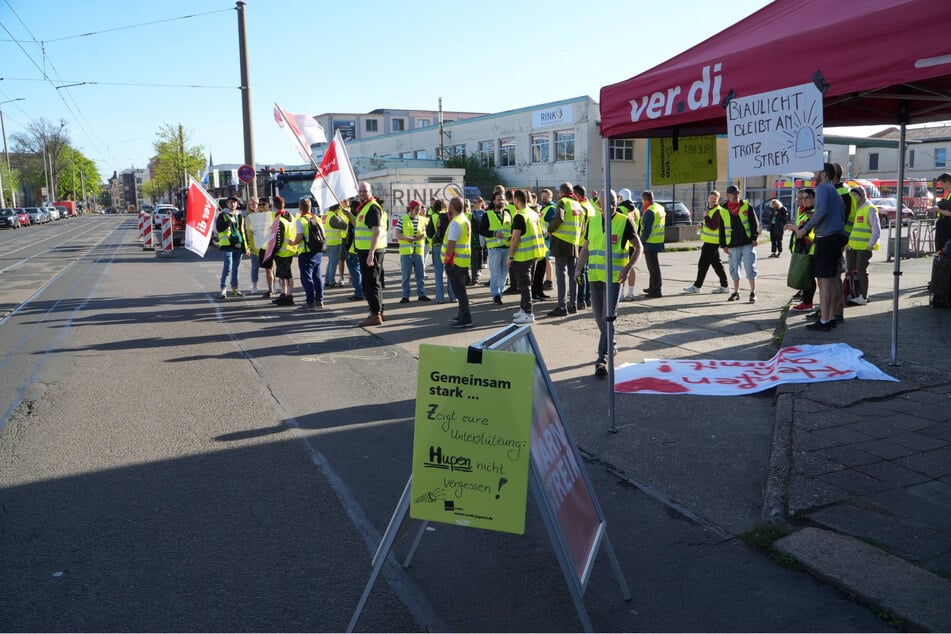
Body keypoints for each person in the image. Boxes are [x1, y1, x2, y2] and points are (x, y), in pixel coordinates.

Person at [577, 190, 642, 377]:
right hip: (595, 277)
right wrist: (577, 268)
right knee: (598, 317)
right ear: (600, 204)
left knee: (608, 317)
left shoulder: (624, 221)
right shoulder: (593, 221)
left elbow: (639, 247)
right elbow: (586, 248)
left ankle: (601, 360)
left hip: (615, 278)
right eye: (609, 203)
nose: (612, 206)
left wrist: (628, 267)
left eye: (614, 202)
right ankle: (611, 343)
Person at [797, 163, 846, 331]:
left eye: (816, 172)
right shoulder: (834, 190)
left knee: (824, 283)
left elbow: (822, 211)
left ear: (824, 174)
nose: (813, 174)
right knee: (831, 281)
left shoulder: (823, 189)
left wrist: (805, 228)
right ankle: (831, 317)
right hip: (835, 238)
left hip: (826, 239)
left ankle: (824, 320)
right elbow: (839, 211)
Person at [508, 189, 545, 324]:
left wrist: (510, 256)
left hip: (522, 256)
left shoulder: (520, 216)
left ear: (517, 200)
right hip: (533, 254)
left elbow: (515, 239)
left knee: (524, 285)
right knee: (527, 284)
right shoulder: (533, 213)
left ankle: (528, 313)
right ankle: (524, 309)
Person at [547, 182, 584, 316]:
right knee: (573, 274)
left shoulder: (563, 202)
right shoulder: (578, 204)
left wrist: (550, 229)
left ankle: (562, 307)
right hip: (574, 242)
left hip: (561, 241)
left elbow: (559, 218)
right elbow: (582, 224)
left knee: (561, 274)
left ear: (562, 192)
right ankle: (572, 305)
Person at [354, 182, 387, 327]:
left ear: (370, 191)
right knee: (374, 283)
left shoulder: (372, 207)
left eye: (364, 191)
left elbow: (376, 231)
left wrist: (371, 253)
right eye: (360, 191)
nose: (362, 193)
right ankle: (378, 311)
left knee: (370, 284)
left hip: (371, 251)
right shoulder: (365, 207)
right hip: (368, 250)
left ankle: (375, 314)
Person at [683, 190, 730, 294]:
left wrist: (706, 216)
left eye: (715, 198)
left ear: (718, 200)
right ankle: (725, 286)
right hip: (711, 241)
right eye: (711, 198)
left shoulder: (718, 211)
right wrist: (703, 224)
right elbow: (711, 225)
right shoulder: (710, 210)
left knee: (703, 264)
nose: (713, 200)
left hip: (712, 242)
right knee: (716, 264)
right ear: (708, 198)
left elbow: (713, 226)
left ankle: (697, 286)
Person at [719, 185, 759, 303]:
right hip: (732, 244)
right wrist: (723, 244)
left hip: (747, 242)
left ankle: (753, 292)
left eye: (738, 194)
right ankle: (736, 292)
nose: (736, 196)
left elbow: (754, 223)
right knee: (734, 269)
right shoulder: (723, 209)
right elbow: (721, 228)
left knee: (750, 267)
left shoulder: (746, 205)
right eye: (734, 194)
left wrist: (754, 237)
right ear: (728, 195)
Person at [845, 185, 881, 305]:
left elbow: (876, 229)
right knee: (850, 270)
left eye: (856, 194)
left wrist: (871, 244)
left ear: (862, 195)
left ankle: (863, 296)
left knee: (861, 271)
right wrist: (848, 243)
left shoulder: (869, 208)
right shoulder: (857, 209)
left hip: (864, 247)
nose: (854, 197)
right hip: (852, 246)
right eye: (853, 195)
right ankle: (852, 292)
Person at [288, 197, 325, 310]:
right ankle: (319, 300)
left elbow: (299, 237)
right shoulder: (317, 219)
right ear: (310, 207)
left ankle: (310, 302)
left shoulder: (300, 220)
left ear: (299, 208)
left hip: (305, 252)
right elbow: (324, 235)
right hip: (317, 252)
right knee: (317, 276)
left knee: (306, 277)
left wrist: (292, 242)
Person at [443, 196, 474, 328]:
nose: (448, 208)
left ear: (453, 207)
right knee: (461, 291)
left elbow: (451, 244)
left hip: (454, 262)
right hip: (462, 260)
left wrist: (447, 258)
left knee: (460, 292)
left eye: (449, 205)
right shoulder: (464, 219)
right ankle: (462, 314)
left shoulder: (456, 222)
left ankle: (465, 317)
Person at [788, 189, 818, 312]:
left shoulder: (813, 212)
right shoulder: (804, 211)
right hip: (803, 248)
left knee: (809, 278)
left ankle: (808, 303)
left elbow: (806, 230)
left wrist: (792, 227)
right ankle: (806, 301)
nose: (803, 200)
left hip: (810, 248)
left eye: (806, 198)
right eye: (801, 198)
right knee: (806, 277)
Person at [479, 190, 511, 305]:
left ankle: (500, 293)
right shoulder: (487, 215)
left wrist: (510, 237)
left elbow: (510, 229)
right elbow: (482, 230)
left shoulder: (508, 214)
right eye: (498, 199)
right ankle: (495, 294)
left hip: (506, 247)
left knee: (504, 273)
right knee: (496, 273)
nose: (501, 201)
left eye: (502, 199)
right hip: (494, 248)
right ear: (493, 201)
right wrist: (494, 234)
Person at [215, 195, 250, 298]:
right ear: (227, 204)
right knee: (228, 267)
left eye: (234, 202)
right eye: (230, 202)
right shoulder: (223, 215)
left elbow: (243, 231)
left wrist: (246, 247)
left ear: (237, 204)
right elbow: (219, 229)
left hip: (238, 245)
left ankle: (234, 289)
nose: (233, 204)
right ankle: (223, 289)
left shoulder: (240, 215)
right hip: (227, 245)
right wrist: (228, 222)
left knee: (236, 268)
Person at [329, 200, 364, 302]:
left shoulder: (355, 221)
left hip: (353, 249)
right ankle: (361, 291)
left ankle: (359, 293)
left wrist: (347, 249)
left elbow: (351, 234)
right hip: (359, 248)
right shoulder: (360, 218)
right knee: (358, 271)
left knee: (356, 271)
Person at [397, 199, 430, 303]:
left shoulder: (422, 219)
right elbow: (398, 233)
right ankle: (405, 296)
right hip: (406, 252)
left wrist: (423, 235)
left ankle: (421, 294)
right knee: (406, 275)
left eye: (419, 209)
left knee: (420, 274)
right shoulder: (403, 219)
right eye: (416, 209)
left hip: (419, 250)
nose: (418, 211)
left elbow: (425, 232)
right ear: (410, 209)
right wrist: (406, 238)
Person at [427, 200, 455, 304]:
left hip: (438, 246)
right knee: (450, 273)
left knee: (438, 273)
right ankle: (453, 297)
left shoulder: (434, 217)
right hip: (449, 246)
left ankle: (440, 298)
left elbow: (429, 233)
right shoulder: (451, 216)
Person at [573, 184, 597, 311]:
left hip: (582, 242)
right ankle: (587, 298)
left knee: (580, 272)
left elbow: (580, 226)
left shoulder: (581, 207)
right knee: (586, 271)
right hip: (590, 241)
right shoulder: (590, 206)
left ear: (576, 195)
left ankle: (581, 299)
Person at [270, 196, 297, 306]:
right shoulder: (290, 216)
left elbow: (278, 239)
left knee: (285, 275)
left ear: (274, 205)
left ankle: (288, 296)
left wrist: (272, 251)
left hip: (282, 251)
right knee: (285, 275)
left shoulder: (279, 219)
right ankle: (284, 294)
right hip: (290, 249)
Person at [245, 197, 273, 295]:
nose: (253, 206)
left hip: (265, 245)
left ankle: (271, 287)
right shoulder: (249, 217)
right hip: (255, 246)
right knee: (255, 266)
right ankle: (254, 285)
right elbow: (248, 232)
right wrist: (248, 246)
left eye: (255, 204)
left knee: (269, 268)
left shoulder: (266, 215)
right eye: (250, 204)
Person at [640, 190, 665, 297]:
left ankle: (656, 289)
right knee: (653, 267)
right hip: (658, 240)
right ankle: (652, 287)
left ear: (644, 200)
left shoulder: (650, 211)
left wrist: (641, 241)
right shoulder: (659, 207)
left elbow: (647, 230)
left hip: (650, 242)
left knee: (653, 268)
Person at [617, 188, 641, 300]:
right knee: (631, 267)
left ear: (621, 197)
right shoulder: (636, 210)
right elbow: (639, 227)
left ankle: (620, 293)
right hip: (634, 243)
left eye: (618, 197)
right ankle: (631, 293)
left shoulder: (620, 209)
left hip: (623, 243)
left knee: (621, 268)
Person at [323, 201, 347, 288]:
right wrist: (341, 218)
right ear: (336, 209)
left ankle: (327, 280)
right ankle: (331, 282)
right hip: (334, 243)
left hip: (328, 242)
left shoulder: (325, 215)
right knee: (333, 263)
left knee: (330, 262)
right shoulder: (333, 217)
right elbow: (344, 226)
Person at [928, 172, 951, 251]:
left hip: (948, 229)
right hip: (944, 227)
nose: (942, 186)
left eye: (942, 184)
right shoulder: (948, 194)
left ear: (947, 182)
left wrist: (937, 209)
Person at [468, 197, 485, 286]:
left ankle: (479, 269)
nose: (474, 204)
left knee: (480, 254)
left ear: (480, 203)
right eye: (473, 202)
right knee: (474, 256)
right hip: (475, 237)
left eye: (476, 202)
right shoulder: (472, 213)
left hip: (482, 236)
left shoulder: (484, 213)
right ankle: (475, 275)